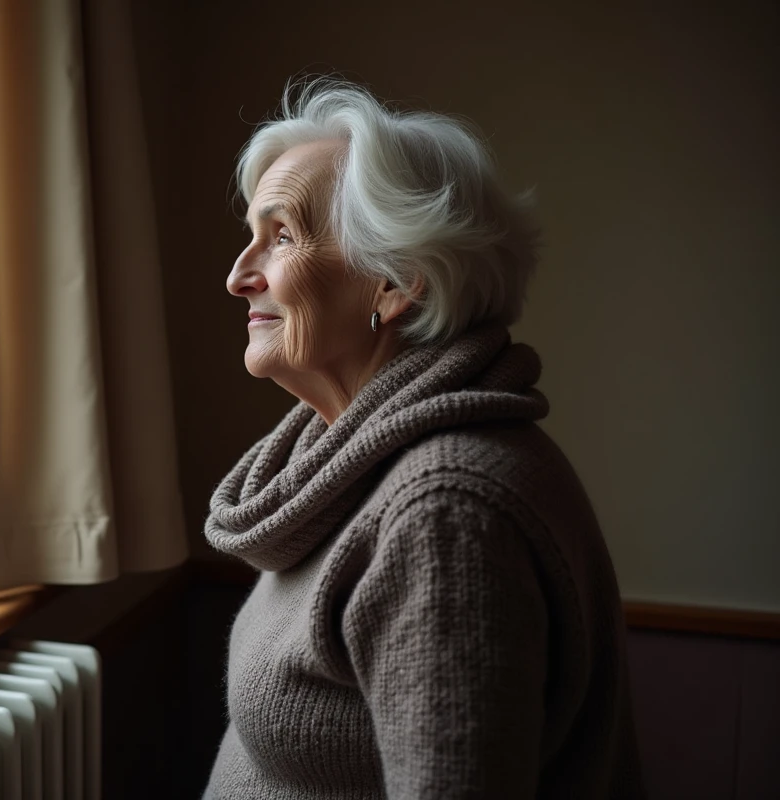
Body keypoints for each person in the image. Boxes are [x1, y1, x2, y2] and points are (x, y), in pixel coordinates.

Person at [202, 78, 645, 798]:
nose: (236, 277)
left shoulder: (444, 514)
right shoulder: (345, 465)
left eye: (281, 236)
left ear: (396, 281)